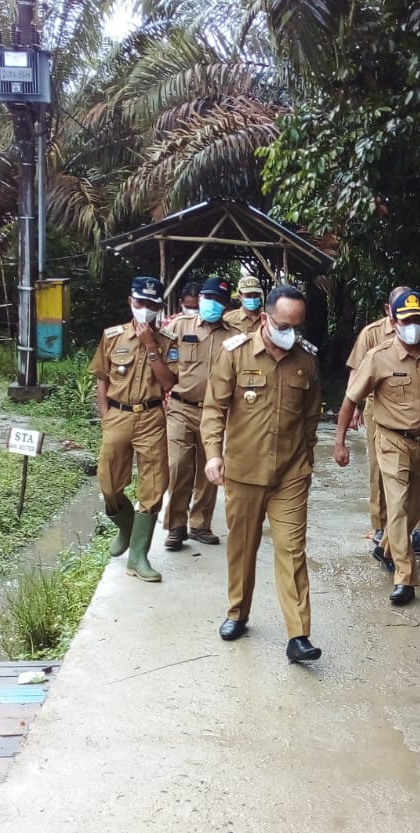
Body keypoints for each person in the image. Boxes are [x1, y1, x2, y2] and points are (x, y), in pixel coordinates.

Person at [201, 284, 322, 663]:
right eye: (284, 324)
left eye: (297, 327)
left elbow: (311, 416)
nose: (291, 332)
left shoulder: (305, 359)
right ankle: (237, 612)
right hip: (243, 472)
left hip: (290, 474)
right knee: (242, 547)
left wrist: (305, 461)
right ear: (266, 318)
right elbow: (214, 408)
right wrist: (212, 455)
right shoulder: (234, 354)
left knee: (292, 551)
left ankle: (298, 634)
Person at [333, 290, 420, 606]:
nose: (414, 327)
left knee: (415, 504)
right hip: (392, 440)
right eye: (407, 321)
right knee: (396, 506)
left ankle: (385, 549)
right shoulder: (379, 356)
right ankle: (404, 579)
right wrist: (339, 442)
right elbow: (350, 399)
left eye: (419, 321)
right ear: (393, 322)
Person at [89, 276, 179, 582]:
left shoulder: (167, 340)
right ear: (131, 301)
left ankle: (138, 556)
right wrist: (106, 415)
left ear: (159, 307)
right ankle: (125, 525)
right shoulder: (112, 336)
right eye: (141, 303)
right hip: (118, 415)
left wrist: (150, 346)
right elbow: (101, 377)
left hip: (152, 416)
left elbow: (169, 383)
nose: (146, 310)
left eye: (152, 305)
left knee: (154, 485)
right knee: (109, 482)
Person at [345, 287, 420, 552]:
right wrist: (353, 405)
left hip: (417, 407)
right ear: (389, 310)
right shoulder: (371, 333)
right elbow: (356, 372)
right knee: (380, 469)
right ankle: (381, 525)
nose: (412, 325)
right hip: (380, 409)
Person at [160, 276, 242, 550]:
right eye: (208, 298)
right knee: (179, 467)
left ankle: (200, 524)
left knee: (212, 470)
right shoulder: (178, 327)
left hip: (217, 413)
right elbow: (162, 362)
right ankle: (175, 526)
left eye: (219, 300)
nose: (212, 304)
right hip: (181, 408)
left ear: (226, 304)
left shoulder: (235, 337)